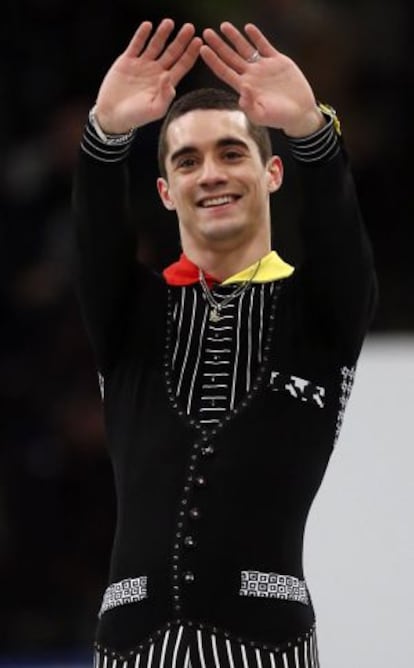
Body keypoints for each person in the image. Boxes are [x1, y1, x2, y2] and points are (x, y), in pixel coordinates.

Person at [72, 18, 376, 668]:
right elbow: (95, 238)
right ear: (165, 191)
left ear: (271, 173)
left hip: (269, 648)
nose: (210, 173)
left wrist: (310, 133)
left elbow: (340, 235)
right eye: (188, 160)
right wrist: (105, 135)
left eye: (231, 153)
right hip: (130, 648)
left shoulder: (321, 312)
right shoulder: (130, 318)